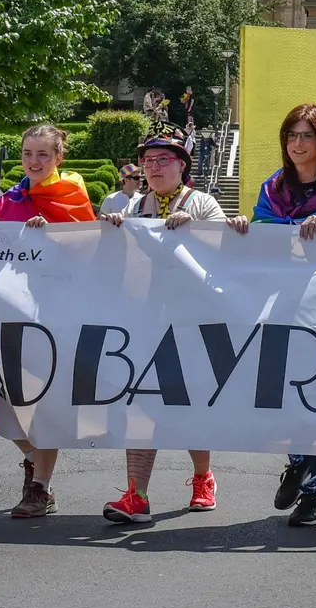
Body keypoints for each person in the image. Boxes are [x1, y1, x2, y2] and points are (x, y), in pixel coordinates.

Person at [225, 104, 316, 528]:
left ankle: (313, 493)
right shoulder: (274, 186)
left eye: (307, 135)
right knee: (289, 387)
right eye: (291, 135)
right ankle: (300, 462)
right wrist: (243, 227)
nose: (298, 143)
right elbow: (264, 230)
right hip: (287, 299)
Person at [98, 130, 229, 524]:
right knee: (140, 404)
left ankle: (203, 478)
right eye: (148, 161)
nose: (153, 168)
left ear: (181, 165)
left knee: (191, 402)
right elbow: (113, 259)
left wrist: (198, 231)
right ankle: (136, 495)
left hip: (192, 320)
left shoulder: (202, 202)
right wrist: (113, 229)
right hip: (145, 321)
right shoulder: (135, 206)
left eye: (162, 160)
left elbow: (229, 255)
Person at [0, 125, 97, 520]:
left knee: (41, 402)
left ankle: (39, 486)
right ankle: (32, 460)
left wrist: (55, 235)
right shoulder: (9, 199)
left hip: (54, 316)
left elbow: (89, 248)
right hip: (9, 313)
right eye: (28, 153)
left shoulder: (72, 196)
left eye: (43, 154)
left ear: (59, 157)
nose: (34, 161)